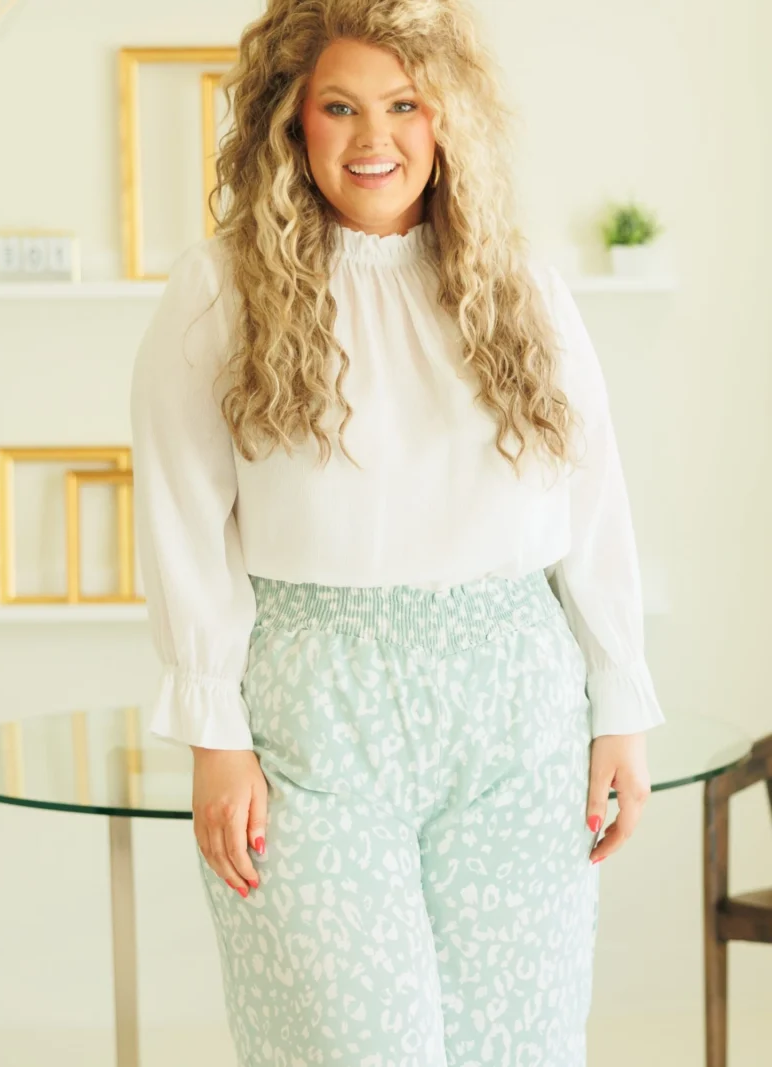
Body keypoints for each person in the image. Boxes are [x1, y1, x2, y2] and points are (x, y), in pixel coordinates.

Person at [129, 0, 666, 1062]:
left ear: (447, 117)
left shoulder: (524, 289)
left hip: (519, 707)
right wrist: (214, 734)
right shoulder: (219, 291)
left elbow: (593, 506)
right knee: (352, 1045)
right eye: (339, 107)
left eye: (404, 105)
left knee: (515, 1045)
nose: (374, 138)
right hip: (311, 716)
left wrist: (620, 706)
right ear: (290, 120)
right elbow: (182, 520)